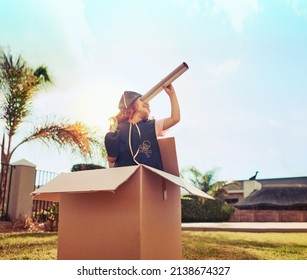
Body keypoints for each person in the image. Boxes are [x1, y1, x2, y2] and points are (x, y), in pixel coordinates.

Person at [104, 83, 180, 170]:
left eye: (148, 101)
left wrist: (172, 94)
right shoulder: (118, 130)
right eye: (142, 99)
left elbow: (175, 118)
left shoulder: (152, 126)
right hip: (126, 175)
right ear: (130, 105)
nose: (147, 102)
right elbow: (111, 160)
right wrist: (110, 142)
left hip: (149, 175)